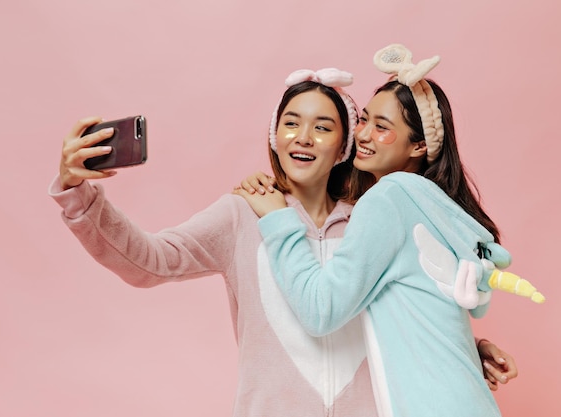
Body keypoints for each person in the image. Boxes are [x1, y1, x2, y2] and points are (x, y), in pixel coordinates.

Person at [50, 66, 514, 417]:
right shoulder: (242, 214)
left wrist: (465, 350)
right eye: (291, 123)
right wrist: (79, 195)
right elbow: (147, 261)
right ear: (274, 137)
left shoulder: (372, 223)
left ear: (345, 146)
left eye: (323, 127)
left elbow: (408, 309)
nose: (304, 137)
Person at [234, 44, 529, 417]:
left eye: (382, 127)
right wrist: (472, 350)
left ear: (419, 145)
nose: (364, 135)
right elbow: (421, 313)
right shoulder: (429, 207)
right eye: (365, 120)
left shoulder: (387, 198)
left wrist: (278, 219)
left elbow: (321, 310)